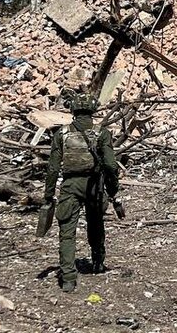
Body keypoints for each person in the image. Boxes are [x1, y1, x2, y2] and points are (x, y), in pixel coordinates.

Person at [43, 90, 121, 293]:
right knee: (96, 225)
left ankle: (68, 277)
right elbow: (111, 165)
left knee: (67, 231)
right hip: (95, 185)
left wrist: (48, 194)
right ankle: (98, 263)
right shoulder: (102, 133)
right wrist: (113, 190)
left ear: (73, 110)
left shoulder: (62, 134)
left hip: (70, 186)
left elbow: (52, 167)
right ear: (93, 109)